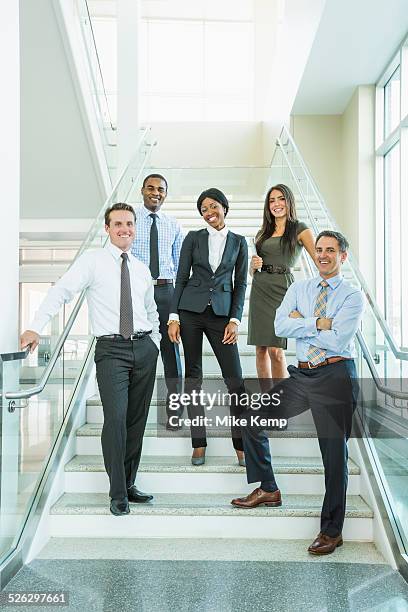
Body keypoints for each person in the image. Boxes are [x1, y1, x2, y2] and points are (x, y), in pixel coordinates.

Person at [20, 203, 160, 517]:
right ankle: (117, 492)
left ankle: (129, 481)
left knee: (136, 421)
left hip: (144, 348)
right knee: (115, 419)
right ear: (107, 229)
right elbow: (62, 291)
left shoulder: (140, 268)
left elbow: (151, 310)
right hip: (111, 351)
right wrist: (35, 326)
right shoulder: (93, 261)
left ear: (134, 228)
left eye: (129, 223)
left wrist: (156, 342)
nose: (125, 228)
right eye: (118, 224)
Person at [232, 230, 364, 556]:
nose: (323, 255)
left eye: (330, 250)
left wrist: (302, 321)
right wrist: (320, 322)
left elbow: (338, 339)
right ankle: (268, 488)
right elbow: (280, 327)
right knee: (251, 420)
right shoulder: (299, 287)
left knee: (334, 459)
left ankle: (332, 531)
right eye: (319, 249)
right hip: (302, 376)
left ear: (342, 256)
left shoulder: (352, 295)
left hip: (335, 376)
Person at [168, 188, 248, 466]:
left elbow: (241, 284)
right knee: (193, 378)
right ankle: (198, 442)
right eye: (203, 208)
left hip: (222, 316)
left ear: (224, 207)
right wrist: (173, 316)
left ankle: (241, 444)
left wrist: (235, 320)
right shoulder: (193, 238)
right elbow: (181, 277)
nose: (209, 212)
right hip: (190, 311)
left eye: (213, 206)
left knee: (235, 380)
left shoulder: (239, 242)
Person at [248, 184, 315, 386]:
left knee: (275, 350)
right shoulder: (263, 232)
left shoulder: (300, 228)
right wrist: (253, 266)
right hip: (260, 288)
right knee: (260, 349)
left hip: (283, 290)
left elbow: (318, 259)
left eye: (281, 199)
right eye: (272, 200)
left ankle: (281, 402)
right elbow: (253, 270)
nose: (276, 204)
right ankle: (267, 401)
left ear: (289, 201)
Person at [132, 174, 184, 431]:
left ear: (166, 193)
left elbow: (181, 267)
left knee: (171, 352)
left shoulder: (172, 224)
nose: (156, 192)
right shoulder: (130, 219)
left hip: (166, 292)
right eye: (151, 188)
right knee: (139, 351)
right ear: (142, 190)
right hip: (137, 292)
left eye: (161, 189)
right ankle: (136, 410)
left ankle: (174, 412)